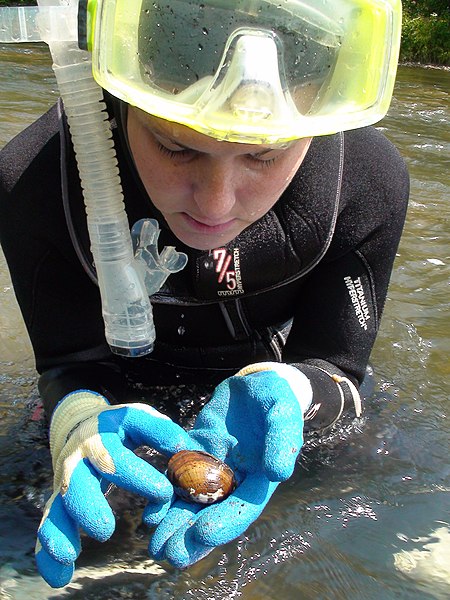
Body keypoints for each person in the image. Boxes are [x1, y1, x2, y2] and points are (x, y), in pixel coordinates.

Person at [0, 0, 408, 589]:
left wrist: (295, 387)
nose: (215, 205)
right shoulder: (36, 181)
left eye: (263, 155)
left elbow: (340, 369)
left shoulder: (367, 179)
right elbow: (68, 363)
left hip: (261, 408)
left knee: (373, 470)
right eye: (176, 147)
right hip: (113, 401)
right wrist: (77, 421)